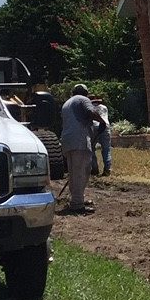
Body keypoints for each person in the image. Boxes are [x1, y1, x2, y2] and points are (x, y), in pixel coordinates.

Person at [59, 84, 102, 214]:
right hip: (79, 140)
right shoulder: (83, 100)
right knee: (82, 172)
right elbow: (90, 112)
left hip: (67, 140)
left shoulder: (67, 103)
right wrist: (102, 121)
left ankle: (77, 199)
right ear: (85, 93)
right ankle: (77, 205)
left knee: (74, 172)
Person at [92, 102, 112, 176]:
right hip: (105, 127)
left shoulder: (90, 107)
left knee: (91, 149)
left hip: (93, 127)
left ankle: (94, 169)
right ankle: (107, 169)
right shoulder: (104, 107)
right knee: (106, 149)